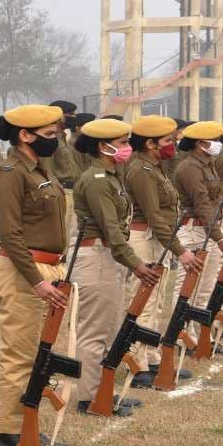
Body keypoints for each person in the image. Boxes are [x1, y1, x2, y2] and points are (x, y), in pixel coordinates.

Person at [0, 104, 74, 446]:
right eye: (50, 135)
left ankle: (30, 424)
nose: (55, 141)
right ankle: (10, 431)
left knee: (44, 353)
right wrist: (37, 281)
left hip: (49, 269)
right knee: (20, 354)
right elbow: (11, 234)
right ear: (25, 134)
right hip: (26, 272)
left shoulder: (41, 169)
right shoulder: (10, 172)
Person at [70, 118, 160, 417]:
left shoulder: (111, 175)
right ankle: (90, 398)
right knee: (94, 332)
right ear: (103, 146)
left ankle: (102, 393)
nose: (127, 148)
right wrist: (137, 265)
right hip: (96, 257)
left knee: (108, 330)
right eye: (122, 143)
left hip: (107, 257)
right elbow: (111, 229)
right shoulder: (96, 180)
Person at [124, 115, 200, 388]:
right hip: (145, 237)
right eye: (168, 140)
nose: (173, 144)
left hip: (158, 239)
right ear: (150, 143)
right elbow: (155, 217)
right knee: (142, 300)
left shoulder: (154, 167)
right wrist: (181, 251)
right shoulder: (141, 171)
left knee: (155, 301)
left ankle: (152, 358)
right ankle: (138, 363)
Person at [173, 120, 223, 313]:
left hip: (208, 230)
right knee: (187, 290)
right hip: (195, 231)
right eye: (214, 140)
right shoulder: (190, 167)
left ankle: (196, 337)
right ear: (201, 144)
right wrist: (221, 239)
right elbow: (202, 205)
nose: (219, 143)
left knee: (204, 291)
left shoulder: (207, 165)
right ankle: (178, 336)